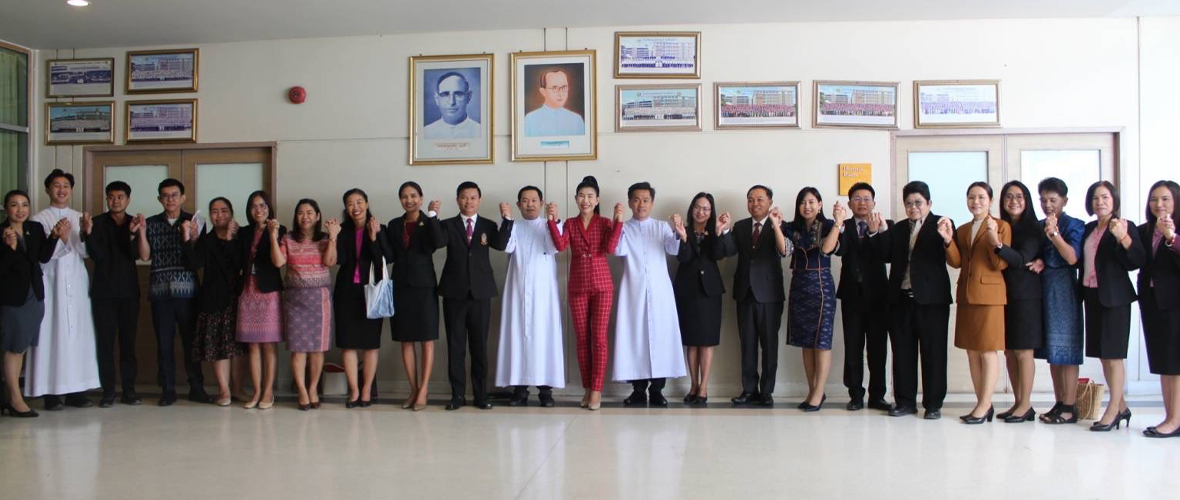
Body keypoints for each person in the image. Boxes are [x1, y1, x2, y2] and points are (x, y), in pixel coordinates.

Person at [869, 180, 955, 420]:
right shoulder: (897, 229)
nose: (913, 207)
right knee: (902, 353)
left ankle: (933, 404)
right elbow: (884, 255)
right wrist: (878, 232)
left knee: (934, 353)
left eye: (918, 202)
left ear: (929, 203)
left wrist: (947, 239)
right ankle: (905, 402)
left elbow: (953, 255)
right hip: (901, 300)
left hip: (932, 302)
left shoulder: (942, 224)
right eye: (909, 203)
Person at [547, 175, 624, 411]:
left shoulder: (605, 222)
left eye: (590, 196)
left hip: (602, 286)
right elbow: (560, 245)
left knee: (599, 339)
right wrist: (552, 221)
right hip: (578, 285)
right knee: (582, 340)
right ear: (575, 199)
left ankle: (597, 390)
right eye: (581, 196)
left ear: (597, 199)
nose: (585, 200)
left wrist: (618, 222)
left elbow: (610, 248)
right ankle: (587, 388)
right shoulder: (570, 223)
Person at [26, 169, 101, 410]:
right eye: (56, 185)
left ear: (71, 190)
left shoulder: (79, 217)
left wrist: (86, 232)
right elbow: (41, 256)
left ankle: (77, 391)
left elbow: (86, 253)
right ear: (47, 189)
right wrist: (59, 237)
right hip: (51, 283)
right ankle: (50, 393)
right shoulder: (38, 220)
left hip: (76, 284)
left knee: (77, 335)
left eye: (66, 185)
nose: (61, 190)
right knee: (52, 334)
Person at [437, 181, 513, 411]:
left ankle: (481, 395)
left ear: (480, 200)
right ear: (457, 200)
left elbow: (501, 245)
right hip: (454, 292)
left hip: (480, 293)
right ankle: (457, 395)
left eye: (472, 197)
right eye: (464, 197)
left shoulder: (488, 225)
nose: (468, 201)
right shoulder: (447, 224)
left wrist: (507, 220)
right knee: (456, 346)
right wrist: (432, 217)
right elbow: (438, 242)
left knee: (479, 347)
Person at [612, 182, 686, 406]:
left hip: (660, 292)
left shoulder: (661, 227)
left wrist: (677, 232)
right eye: (636, 199)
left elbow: (673, 249)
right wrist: (616, 223)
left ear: (652, 203)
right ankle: (638, 390)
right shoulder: (624, 228)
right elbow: (617, 250)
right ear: (629, 202)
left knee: (661, 338)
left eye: (645, 200)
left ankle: (657, 390)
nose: (641, 204)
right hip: (633, 291)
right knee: (635, 338)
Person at [1080, 180, 1145, 432]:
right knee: (1103, 355)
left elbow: (1136, 260)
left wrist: (1123, 238)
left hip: (1115, 298)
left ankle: (1112, 409)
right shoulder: (1089, 229)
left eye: (1105, 197)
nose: (1100, 202)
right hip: (1092, 296)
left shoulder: (1124, 226)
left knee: (1113, 356)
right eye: (1095, 198)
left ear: (1114, 200)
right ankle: (1122, 407)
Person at [946, 182, 1010, 424]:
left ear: (990, 200)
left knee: (987, 350)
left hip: (990, 297)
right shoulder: (963, 229)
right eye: (971, 197)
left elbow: (1000, 264)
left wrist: (994, 239)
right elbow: (956, 262)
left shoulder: (1001, 226)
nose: (976, 202)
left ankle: (984, 405)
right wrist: (948, 241)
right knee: (972, 351)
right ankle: (982, 403)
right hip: (966, 294)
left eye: (981, 197)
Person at [495, 186, 565, 407]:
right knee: (517, 337)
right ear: (518, 205)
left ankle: (545, 390)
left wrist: (553, 220)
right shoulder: (513, 226)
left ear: (542, 203)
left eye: (534, 200)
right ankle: (519, 389)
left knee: (544, 338)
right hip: (517, 291)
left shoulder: (550, 224)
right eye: (525, 201)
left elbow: (555, 247)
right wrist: (506, 220)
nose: (530, 204)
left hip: (544, 294)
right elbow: (506, 247)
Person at [144, 178, 209, 406]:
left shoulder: (195, 222)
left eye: (174, 195)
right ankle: (168, 389)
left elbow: (198, 260)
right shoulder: (150, 223)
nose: (170, 199)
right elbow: (144, 255)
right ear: (159, 199)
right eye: (165, 195)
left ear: (182, 198)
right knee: (164, 343)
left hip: (188, 293)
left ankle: (197, 387)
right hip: (160, 292)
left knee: (191, 342)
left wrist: (192, 238)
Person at [722, 185, 789, 407]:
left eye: (760, 199)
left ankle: (767, 391)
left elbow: (784, 251)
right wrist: (725, 231)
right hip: (744, 293)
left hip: (770, 295)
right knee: (747, 344)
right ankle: (749, 390)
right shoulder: (741, 226)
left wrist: (776, 225)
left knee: (770, 345)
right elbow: (730, 251)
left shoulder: (779, 223)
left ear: (770, 202)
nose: (755, 203)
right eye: (750, 199)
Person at [82, 181, 147, 407]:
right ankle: (108, 391)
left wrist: (132, 234)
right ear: (106, 199)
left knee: (128, 343)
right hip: (104, 293)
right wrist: (88, 233)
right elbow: (97, 256)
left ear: (128, 199)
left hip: (129, 293)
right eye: (111, 197)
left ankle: (129, 391)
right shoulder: (97, 223)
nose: (116, 201)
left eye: (120, 197)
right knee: (105, 344)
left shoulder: (133, 222)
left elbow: (135, 255)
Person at [380, 182, 443, 411]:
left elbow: (438, 243)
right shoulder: (394, 225)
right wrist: (376, 235)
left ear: (421, 198)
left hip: (424, 287)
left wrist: (433, 216)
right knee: (406, 340)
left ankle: (424, 389)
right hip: (401, 287)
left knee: (426, 339)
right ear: (400, 200)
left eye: (413, 196)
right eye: (404, 197)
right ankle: (413, 389)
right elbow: (389, 256)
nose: (409, 200)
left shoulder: (429, 221)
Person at [783, 188, 843, 412]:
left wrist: (838, 223)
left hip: (821, 286)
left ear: (819, 204)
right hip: (799, 285)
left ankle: (819, 392)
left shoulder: (829, 225)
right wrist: (776, 224)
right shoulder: (791, 227)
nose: (807, 206)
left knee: (822, 341)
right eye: (803, 202)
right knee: (806, 342)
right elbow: (784, 250)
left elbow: (827, 249)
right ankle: (812, 390)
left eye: (811, 202)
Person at [181, 197, 245, 407]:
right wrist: (189, 239)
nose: (220, 215)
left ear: (231, 212)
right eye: (215, 212)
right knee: (219, 346)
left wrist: (230, 240)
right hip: (213, 298)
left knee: (238, 346)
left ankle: (238, 388)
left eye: (224, 210)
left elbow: (240, 263)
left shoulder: (241, 235)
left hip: (239, 297)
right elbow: (193, 264)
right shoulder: (206, 239)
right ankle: (224, 390)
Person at [835, 182, 893, 412]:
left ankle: (878, 395)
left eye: (867, 199)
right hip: (851, 295)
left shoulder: (885, 225)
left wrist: (874, 232)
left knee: (877, 348)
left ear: (874, 203)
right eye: (857, 199)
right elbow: (840, 251)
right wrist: (838, 225)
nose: (862, 203)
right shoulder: (844, 225)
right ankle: (855, 395)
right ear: (849, 204)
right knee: (853, 347)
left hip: (878, 296)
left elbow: (887, 255)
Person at [1, 190, 59, 417]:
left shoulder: (34, 228)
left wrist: (54, 237)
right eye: (14, 205)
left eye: (24, 204)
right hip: (12, 299)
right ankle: (15, 399)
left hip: (34, 295)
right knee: (13, 347)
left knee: (21, 347)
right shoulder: (2, 232)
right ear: (6, 208)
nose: (20, 210)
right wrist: (10, 248)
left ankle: (11, 397)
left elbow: (42, 258)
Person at [276, 199, 337, 411]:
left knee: (318, 349)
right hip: (295, 300)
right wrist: (272, 237)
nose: (305, 216)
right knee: (298, 349)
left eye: (310, 212)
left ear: (318, 216)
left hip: (320, 299)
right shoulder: (288, 238)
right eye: (301, 212)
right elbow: (279, 262)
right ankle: (302, 391)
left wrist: (334, 237)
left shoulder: (325, 238)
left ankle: (313, 389)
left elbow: (330, 262)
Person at [672, 192, 732, 406]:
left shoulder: (715, 230)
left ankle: (704, 387)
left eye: (706, 208)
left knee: (706, 342)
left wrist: (719, 232)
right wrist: (683, 237)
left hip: (709, 292)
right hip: (687, 291)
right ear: (692, 209)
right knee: (691, 342)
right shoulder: (683, 229)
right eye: (698, 207)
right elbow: (683, 257)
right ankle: (693, 385)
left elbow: (720, 254)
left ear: (711, 211)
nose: (701, 212)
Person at [1035, 177, 1086, 425]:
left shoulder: (1074, 225)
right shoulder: (1038, 225)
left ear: (1064, 201)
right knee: (1053, 351)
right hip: (1044, 290)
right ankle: (1059, 402)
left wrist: (1054, 234)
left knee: (1068, 350)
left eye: (1053, 200)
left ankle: (1069, 406)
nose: (1047, 205)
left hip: (1065, 290)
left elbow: (1072, 258)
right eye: (1043, 200)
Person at [996, 180, 1045, 423]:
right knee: (1009, 351)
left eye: (1019, 196)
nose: (1013, 201)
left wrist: (997, 246)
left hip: (1026, 297)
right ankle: (1018, 402)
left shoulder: (1033, 228)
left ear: (1026, 200)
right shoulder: (1001, 227)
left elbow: (1021, 258)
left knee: (1024, 351)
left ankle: (1026, 404)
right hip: (1004, 295)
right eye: (1008, 196)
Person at [334, 188, 387, 408]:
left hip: (372, 292)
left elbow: (386, 258)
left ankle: (366, 390)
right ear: (346, 208)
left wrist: (373, 238)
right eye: (350, 203)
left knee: (370, 344)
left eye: (359, 202)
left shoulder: (380, 228)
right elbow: (340, 260)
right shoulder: (342, 231)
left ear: (366, 203)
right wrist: (333, 236)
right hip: (346, 292)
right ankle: (354, 391)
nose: (355, 207)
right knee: (348, 344)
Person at [235, 190, 286, 410]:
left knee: (268, 344)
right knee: (252, 344)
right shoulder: (244, 232)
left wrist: (273, 235)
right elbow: (238, 260)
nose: (258, 210)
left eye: (263, 205)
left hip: (268, 292)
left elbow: (277, 262)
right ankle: (256, 391)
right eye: (254, 206)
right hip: (247, 290)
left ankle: (268, 391)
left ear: (269, 208)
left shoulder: (279, 229)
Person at [1138, 180, 1180, 437]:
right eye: (1154, 199)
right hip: (1152, 301)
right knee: (1163, 362)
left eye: (1165, 199)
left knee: (1175, 362)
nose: (1159, 204)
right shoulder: (1145, 230)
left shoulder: (1174, 231)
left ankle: (1175, 420)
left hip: (1175, 302)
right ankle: (1170, 416)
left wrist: (1170, 237)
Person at [523, 69, 585, 136]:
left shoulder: (577, 120)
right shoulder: (530, 119)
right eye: (554, 88)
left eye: (564, 87)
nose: (561, 93)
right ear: (543, 92)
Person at [422, 72, 481, 139]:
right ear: (437, 99)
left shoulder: (480, 131)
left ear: (469, 97)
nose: (451, 102)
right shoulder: (426, 133)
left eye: (458, 94)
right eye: (445, 94)